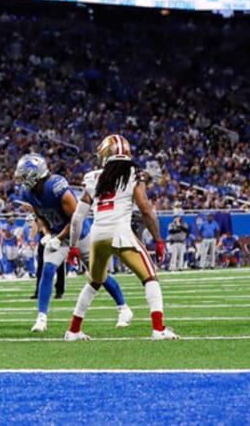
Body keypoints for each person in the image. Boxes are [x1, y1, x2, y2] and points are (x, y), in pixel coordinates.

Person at [64, 134, 177, 341]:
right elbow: (146, 209)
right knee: (150, 277)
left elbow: (78, 217)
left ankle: (73, 330)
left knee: (95, 281)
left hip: (98, 235)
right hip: (121, 233)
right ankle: (158, 329)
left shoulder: (92, 178)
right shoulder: (133, 173)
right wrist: (158, 240)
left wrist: (72, 246)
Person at [13, 153, 133, 334]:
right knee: (47, 270)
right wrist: (46, 233)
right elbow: (39, 215)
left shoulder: (56, 188)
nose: (21, 180)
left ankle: (123, 308)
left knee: (98, 274)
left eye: (24, 175)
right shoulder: (27, 193)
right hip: (57, 235)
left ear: (35, 174)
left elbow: (76, 219)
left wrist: (58, 238)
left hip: (80, 235)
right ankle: (41, 318)